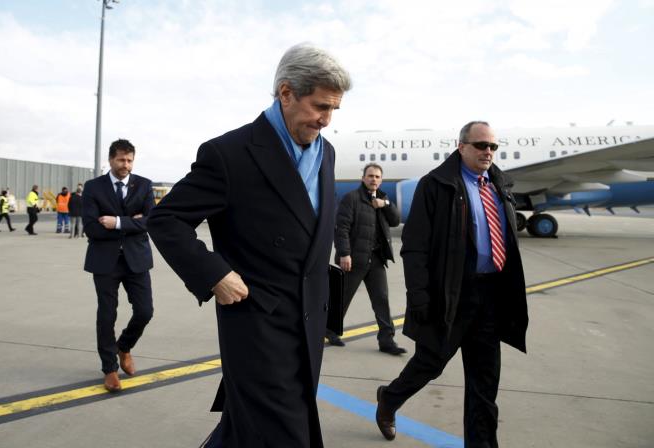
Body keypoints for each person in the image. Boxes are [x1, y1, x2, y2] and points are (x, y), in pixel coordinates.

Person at [147, 43, 351, 448]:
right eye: (320, 106)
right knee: (284, 434)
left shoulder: (325, 153)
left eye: (334, 109)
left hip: (309, 320)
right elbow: (166, 219)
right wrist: (215, 274)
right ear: (286, 93)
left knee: (249, 431)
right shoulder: (230, 154)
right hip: (258, 321)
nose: (326, 119)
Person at [375, 121, 528, 446]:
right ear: (461, 147)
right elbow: (414, 246)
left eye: (493, 146)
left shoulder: (499, 184)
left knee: (484, 385)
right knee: (429, 364)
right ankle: (389, 399)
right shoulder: (436, 185)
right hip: (451, 296)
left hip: (491, 297)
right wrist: (419, 296)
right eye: (481, 145)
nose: (488, 152)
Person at [82, 139, 155, 392]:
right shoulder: (93, 187)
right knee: (106, 314)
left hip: (137, 259)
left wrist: (117, 222)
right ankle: (109, 368)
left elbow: (151, 221)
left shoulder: (144, 185)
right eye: (121, 160)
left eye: (130, 160)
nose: (126, 165)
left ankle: (124, 346)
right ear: (111, 160)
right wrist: (134, 222)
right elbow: (91, 228)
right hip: (105, 261)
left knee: (145, 311)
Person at [326, 163, 406, 355]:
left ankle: (387, 341)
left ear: (381, 180)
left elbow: (395, 221)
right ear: (363, 178)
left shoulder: (383, 199)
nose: (373, 179)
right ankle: (330, 330)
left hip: (377, 260)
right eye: (370, 176)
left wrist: (385, 205)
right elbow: (341, 228)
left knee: (381, 300)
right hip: (355, 259)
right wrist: (344, 253)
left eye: (377, 177)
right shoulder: (351, 199)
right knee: (343, 298)